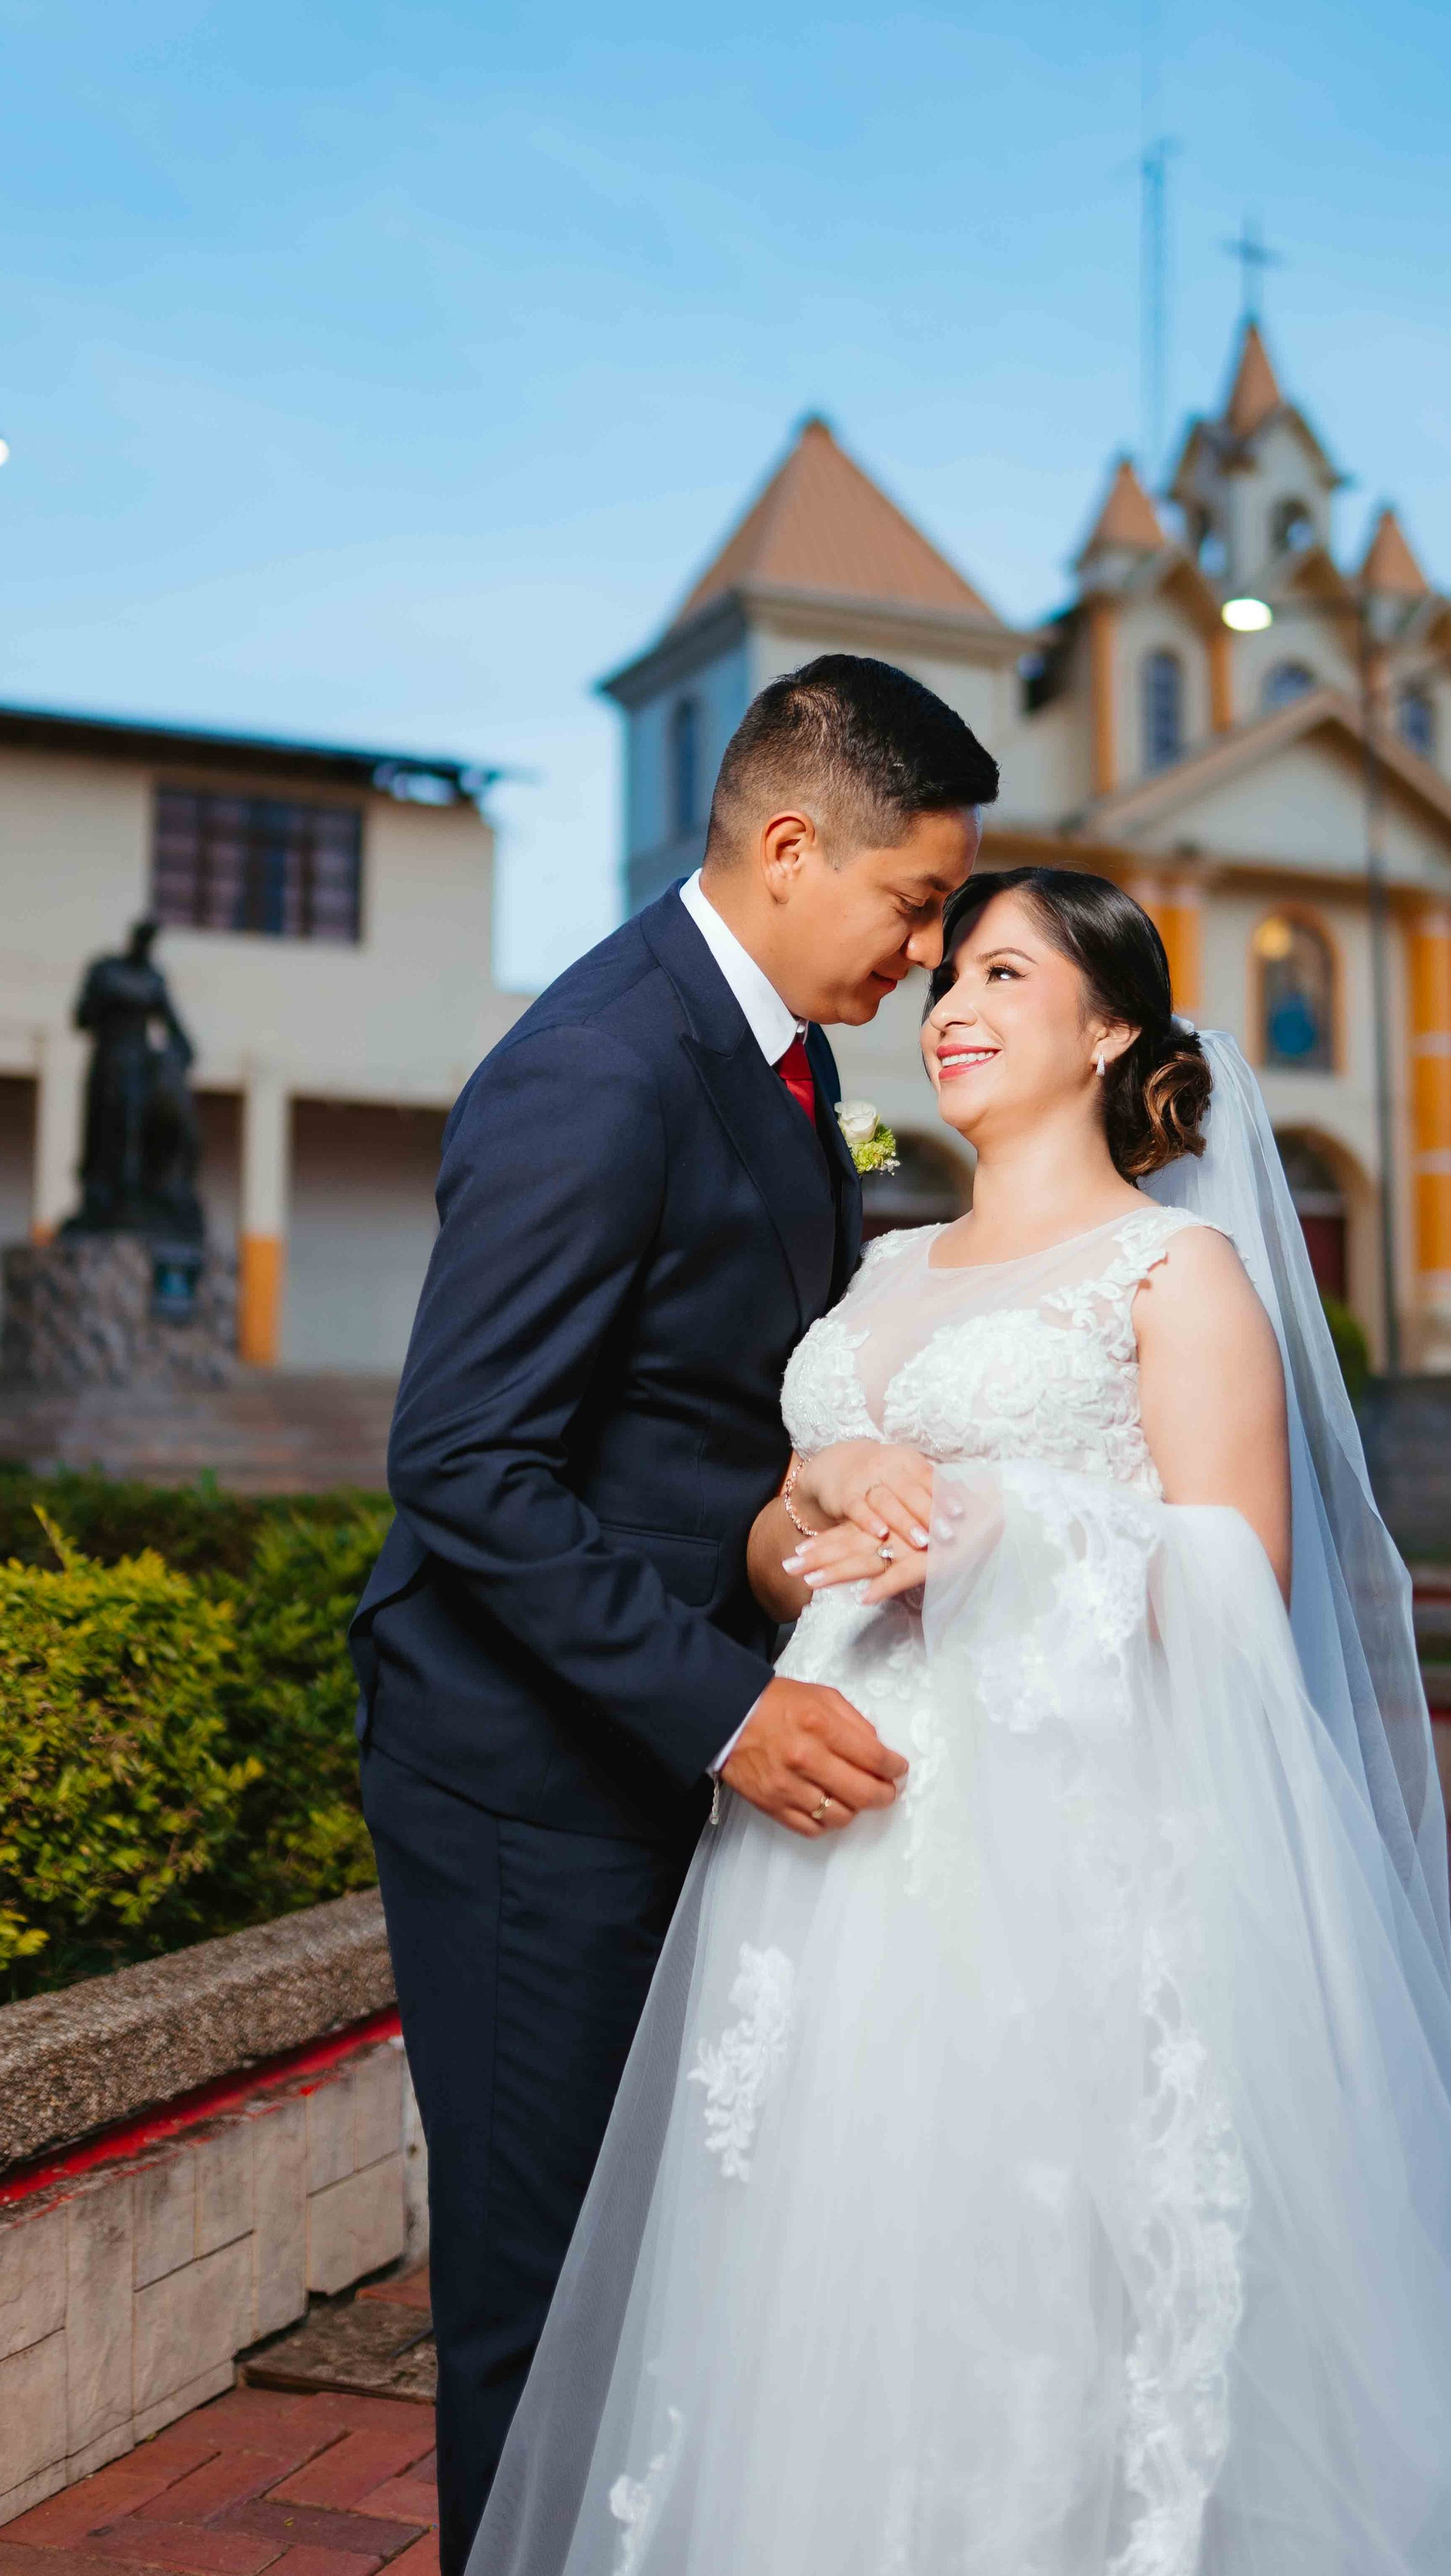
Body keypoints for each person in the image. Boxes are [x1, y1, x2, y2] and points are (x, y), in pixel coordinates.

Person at [467, 867, 1451, 2576]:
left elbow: (1229, 1574)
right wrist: (813, 1502)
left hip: (1047, 1840)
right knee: (814, 2258)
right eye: (944, 979)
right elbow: (781, 1552)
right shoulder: (875, 1265)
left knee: (1022, 2253)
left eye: (1003, 971)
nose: (951, 1008)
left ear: (1113, 1026)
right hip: (819, 1838)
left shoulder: (1171, 1270)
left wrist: (1017, 1529)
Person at [350, 655, 996, 2576]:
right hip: (521, 1772)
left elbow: (708, 1417)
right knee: (540, 2299)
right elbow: (464, 1459)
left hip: (647, 1738)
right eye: (912, 902)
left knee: (659, 2273)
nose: (927, 950)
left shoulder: (793, 1075)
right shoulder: (602, 1062)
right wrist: (726, 1712)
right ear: (792, 846)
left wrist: (820, 1508)